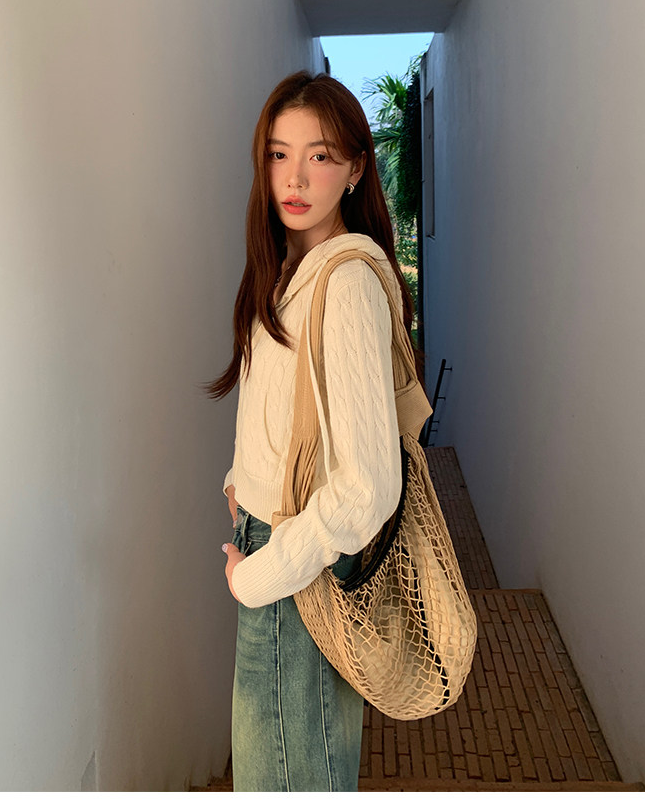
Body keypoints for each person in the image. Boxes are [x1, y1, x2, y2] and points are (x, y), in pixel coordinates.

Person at [207, 70, 419, 792]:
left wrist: (258, 577)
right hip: (278, 549)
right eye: (279, 154)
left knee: (290, 782)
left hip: (297, 570)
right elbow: (280, 405)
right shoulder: (287, 271)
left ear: (356, 168)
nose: (295, 177)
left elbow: (367, 487)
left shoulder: (346, 282)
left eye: (320, 155)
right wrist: (242, 480)